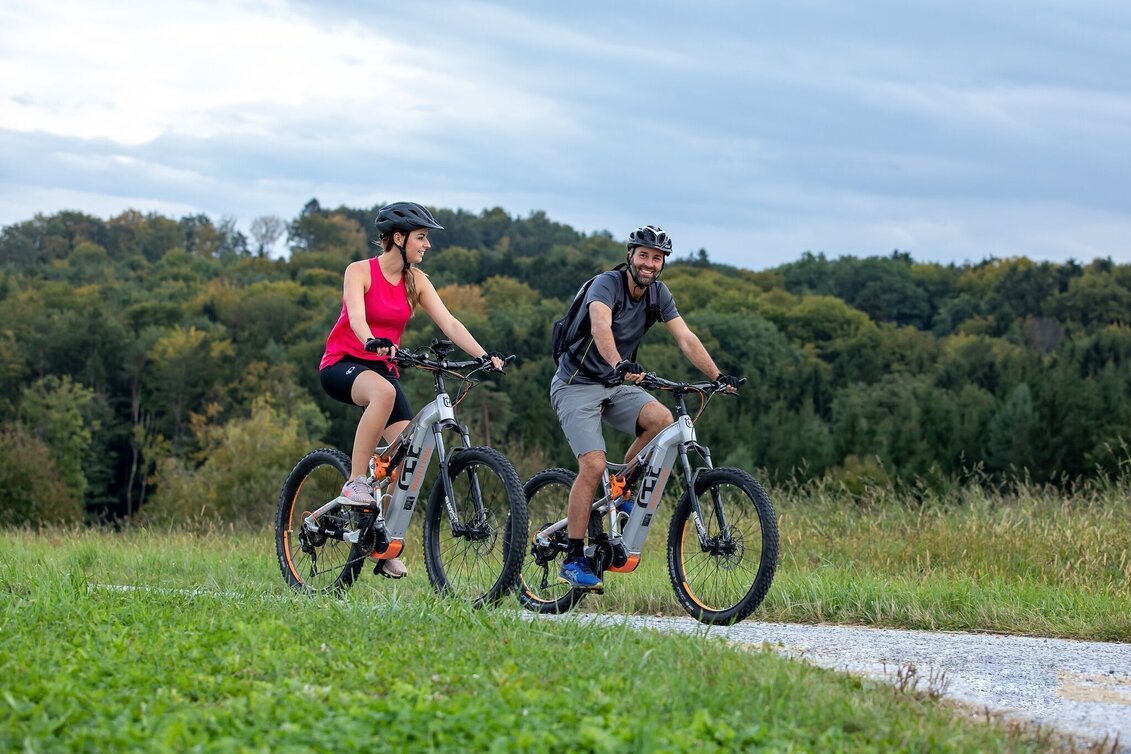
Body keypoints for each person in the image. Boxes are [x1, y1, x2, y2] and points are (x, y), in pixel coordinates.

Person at [549, 225, 742, 590]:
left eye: (657, 258)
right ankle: (574, 558)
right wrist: (620, 363)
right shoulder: (607, 284)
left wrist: (717, 375)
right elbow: (601, 325)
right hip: (576, 385)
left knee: (662, 420)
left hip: (614, 384)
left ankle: (619, 487)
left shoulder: (658, 293)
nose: (650, 264)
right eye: (644, 255)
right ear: (630, 255)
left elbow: (685, 337)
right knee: (592, 465)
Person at [319, 201, 504, 578]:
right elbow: (355, 316)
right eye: (422, 238)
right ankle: (356, 481)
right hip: (343, 364)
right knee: (383, 394)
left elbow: (450, 323)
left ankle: (382, 541)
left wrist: (485, 355)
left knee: (410, 456)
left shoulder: (416, 281)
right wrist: (371, 340)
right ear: (398, 238)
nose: (427, 245)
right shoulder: (359, 271)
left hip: (383, 370)